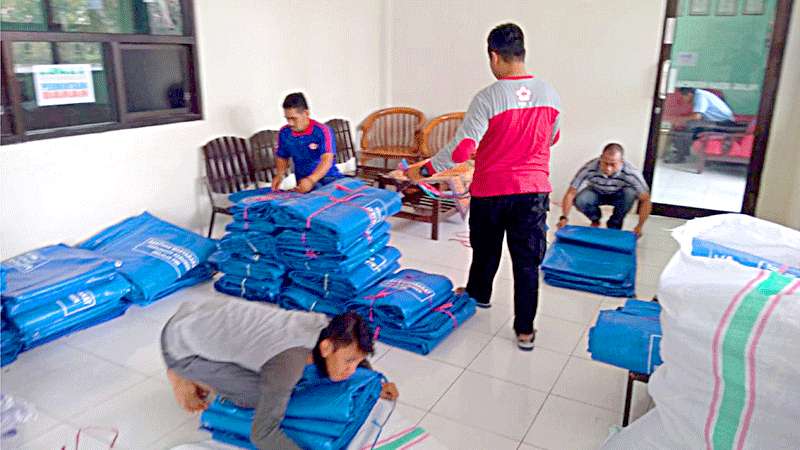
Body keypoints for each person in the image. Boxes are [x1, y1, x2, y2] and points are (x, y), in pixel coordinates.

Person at [407, 23, 560, 351]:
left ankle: (480, 295)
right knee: (526, 261)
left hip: (492, 190)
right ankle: (525, 330)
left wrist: (426, 169)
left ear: (494, 55)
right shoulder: (550, 93)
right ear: (522, 52)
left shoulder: (489, 97)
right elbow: (553, 137)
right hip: (533, 192)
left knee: (486, 248)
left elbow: (462, 149)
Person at [161, 299, 399, 449]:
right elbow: (262, 433)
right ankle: (179, 374)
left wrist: (375, 380)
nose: (352, 369)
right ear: (326, 348)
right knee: (254, 397)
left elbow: (350, 350)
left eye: (357, 362)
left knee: (273, 376)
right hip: (179, 346)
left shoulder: (327, 327)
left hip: (201, 312)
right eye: (350, 362)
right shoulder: (287, 365)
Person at [558, 143, 651, 236]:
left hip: (619, 196)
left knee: (630, 193)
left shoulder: (631, 173)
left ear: (621, 161)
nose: (608, 168)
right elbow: (571, 193)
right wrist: (564, 218)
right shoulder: (589, 168)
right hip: (596, 192)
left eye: (613, 164)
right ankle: (595, 219)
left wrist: (639, 226)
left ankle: (614, 224)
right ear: (601, 158)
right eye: (605, 163)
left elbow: (645, 199)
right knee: (580, 200)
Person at [271, 93, 342, 193]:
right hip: (303, 183)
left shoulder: (323, 131)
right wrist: (279, 175)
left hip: (329, 179)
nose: (290, 123)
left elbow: (327, 160)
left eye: (293, 118)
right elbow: (282, 156)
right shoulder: (284, 133)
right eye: (287, 119)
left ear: (306, 113)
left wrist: (311, 180)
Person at [665, 87, 739, 163]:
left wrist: (680, 120)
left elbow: (697, 116)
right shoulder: (700, 94)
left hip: (725, 125)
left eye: (683, 97)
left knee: (683, 127)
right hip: (719, 122)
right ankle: (682, 153)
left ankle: (680, 156)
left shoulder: (700, 96)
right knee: (687, 126)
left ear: (689, 94)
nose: (683, 100)